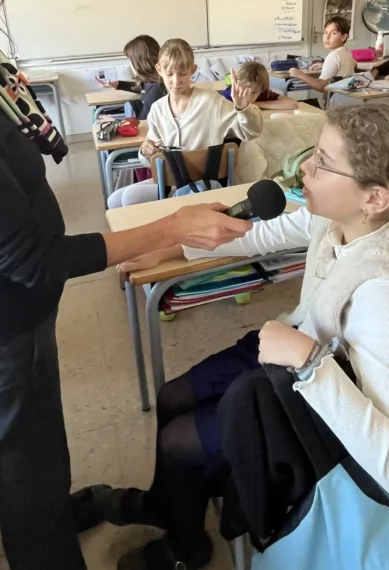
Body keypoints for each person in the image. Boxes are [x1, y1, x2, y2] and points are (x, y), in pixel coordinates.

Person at [78, 102, 389, 569]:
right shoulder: (341, 218)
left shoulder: (383, 299)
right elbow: (264, 235)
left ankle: (186, 545)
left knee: (181, 441)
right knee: (173, 395)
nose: (305, 169)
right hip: (300, 355)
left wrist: (311, 363)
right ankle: (170, 506)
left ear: (376, 197)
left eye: (323, 162)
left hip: (322, 404)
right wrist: (169, 248)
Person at [0, 45, 253, 570]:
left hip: (26, 313)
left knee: (38, 441)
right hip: (11, 321)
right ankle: (42, 534)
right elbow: (31, 258)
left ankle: (50, 510)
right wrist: (171, 231)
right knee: (25, 458)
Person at [107, 39, 263, 209]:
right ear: (159, 70)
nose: (176, 81)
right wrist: (145, 150)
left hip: (203, 184)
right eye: (169, 74)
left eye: (182, 74)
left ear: (192, 70)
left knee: (129, 197)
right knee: (113, 200)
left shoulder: (212, 102)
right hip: (171, 180)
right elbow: (149, 159)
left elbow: (250, 132)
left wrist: (243, 108)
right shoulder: (158, 109)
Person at [95, 35, 166, 121]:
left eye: (130, 61)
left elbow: (141, 123)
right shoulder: (152, 82)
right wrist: (117, 84)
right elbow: (142, 89)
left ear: (140, 62)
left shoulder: (156, 89)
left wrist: (114, 121)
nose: (130, 65)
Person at [288, 16, 355, 94]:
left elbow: (321, 86)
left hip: (334, 100)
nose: (327, 37)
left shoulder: (334, 56)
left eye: (333, 33)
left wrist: (299, 74)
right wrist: (324, 65)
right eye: (326, 32)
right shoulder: (345, 52)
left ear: (343, 37)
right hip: (347, 98)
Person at [220, 61, 298, 111]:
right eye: (243, 90)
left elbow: (293, 104)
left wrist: (254, 105)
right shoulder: (227, 96)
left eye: (254, 93)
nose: (248, 97)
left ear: (261, 89)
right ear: (236, 83)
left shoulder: (262, 93)